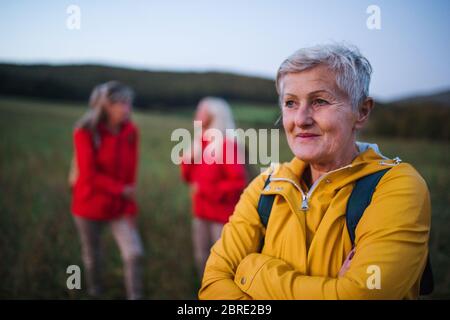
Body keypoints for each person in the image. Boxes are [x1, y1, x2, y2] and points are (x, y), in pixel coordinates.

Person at [199, 43, 431, 299]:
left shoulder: (397, 188)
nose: (301, 119)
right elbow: (212, 286)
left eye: (319, 101)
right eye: (290, 103)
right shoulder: (265, 186)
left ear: (362, 111)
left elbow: (361, 296)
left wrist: (253, 270)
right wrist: (334, 289)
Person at [70, 81, 144, 299]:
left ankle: (135, 295)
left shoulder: (131, 132)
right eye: (120, 104)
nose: (126, 109)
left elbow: (131, 175)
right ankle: (96, 292)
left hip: (119, 207)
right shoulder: (84, 132)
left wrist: (130, 207)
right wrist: (120, 189)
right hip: (88, 204)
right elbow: (88, 175)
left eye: (128, 103)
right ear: (104, 106)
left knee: (134, 254)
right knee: (92, 255)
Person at [180, 97, 248, 278]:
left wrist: (206, 191)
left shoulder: (227, 145)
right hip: (200, 212)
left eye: (201, 110)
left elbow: (237, 183)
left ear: (213, 116)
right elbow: (187, 178)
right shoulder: (200, 142)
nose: (197, 114)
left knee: (222, 263)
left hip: (221, 216)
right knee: (201, 257)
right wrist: (187, 160)